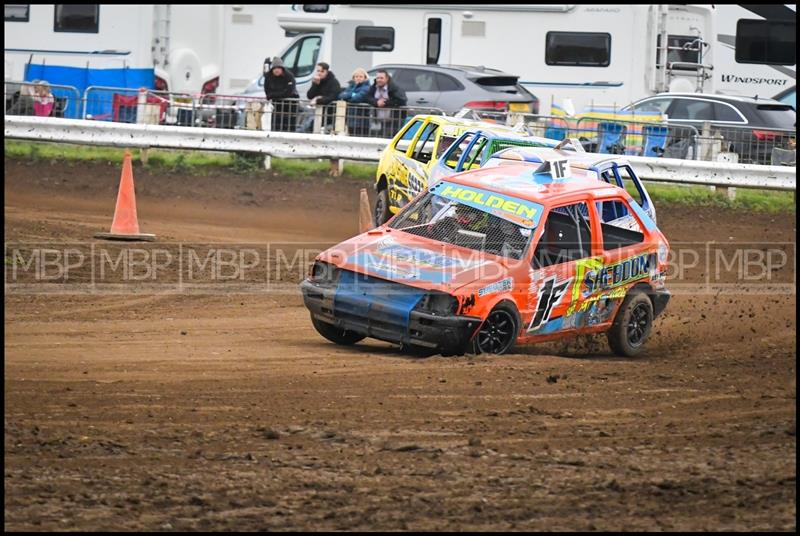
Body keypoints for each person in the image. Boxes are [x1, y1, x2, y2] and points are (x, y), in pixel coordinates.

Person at [301, 62, 341, 133]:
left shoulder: (334, 82)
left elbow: (332, 97)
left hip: (329, 114)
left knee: (309, 127)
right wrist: (315, 85)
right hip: (317, 112)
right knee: (305, 127)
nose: (319, 73)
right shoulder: (318, 81)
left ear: (327, 72)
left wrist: (318, 100)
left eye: (322, 71)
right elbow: (309, 95)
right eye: (318, 71)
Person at [366, 70, 407, 138]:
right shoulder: (374, 87)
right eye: (378, 78)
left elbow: (402, 100)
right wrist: (376, 102)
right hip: (381, 119)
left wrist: (385, 103)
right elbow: (367, 97)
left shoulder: (394, 87)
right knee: (382, 137)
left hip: (395, 119)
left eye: (381, 78)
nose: (379, 80)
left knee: (393, 137)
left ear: (387, 78)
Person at [263, 56, 299, 132]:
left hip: (290, 106)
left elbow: (288, 92)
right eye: (274, 68)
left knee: (289, 127)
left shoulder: (289, 76)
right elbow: (267, 91)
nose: (276, 70)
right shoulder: (269, 76)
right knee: (276, 127)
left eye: (279, 68)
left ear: (282, 68)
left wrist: (273, 95)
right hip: (277, 106)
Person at [338, 67, 371, 136]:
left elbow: (356, 99)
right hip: (351, 119)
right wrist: (352, 94)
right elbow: (341, 95)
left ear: (365, 78)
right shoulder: (351, 86)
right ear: (353, 78)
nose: (358, 78)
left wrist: (348, 96)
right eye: (356, 76)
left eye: (361, 76)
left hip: (362, 121)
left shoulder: (367, 87)